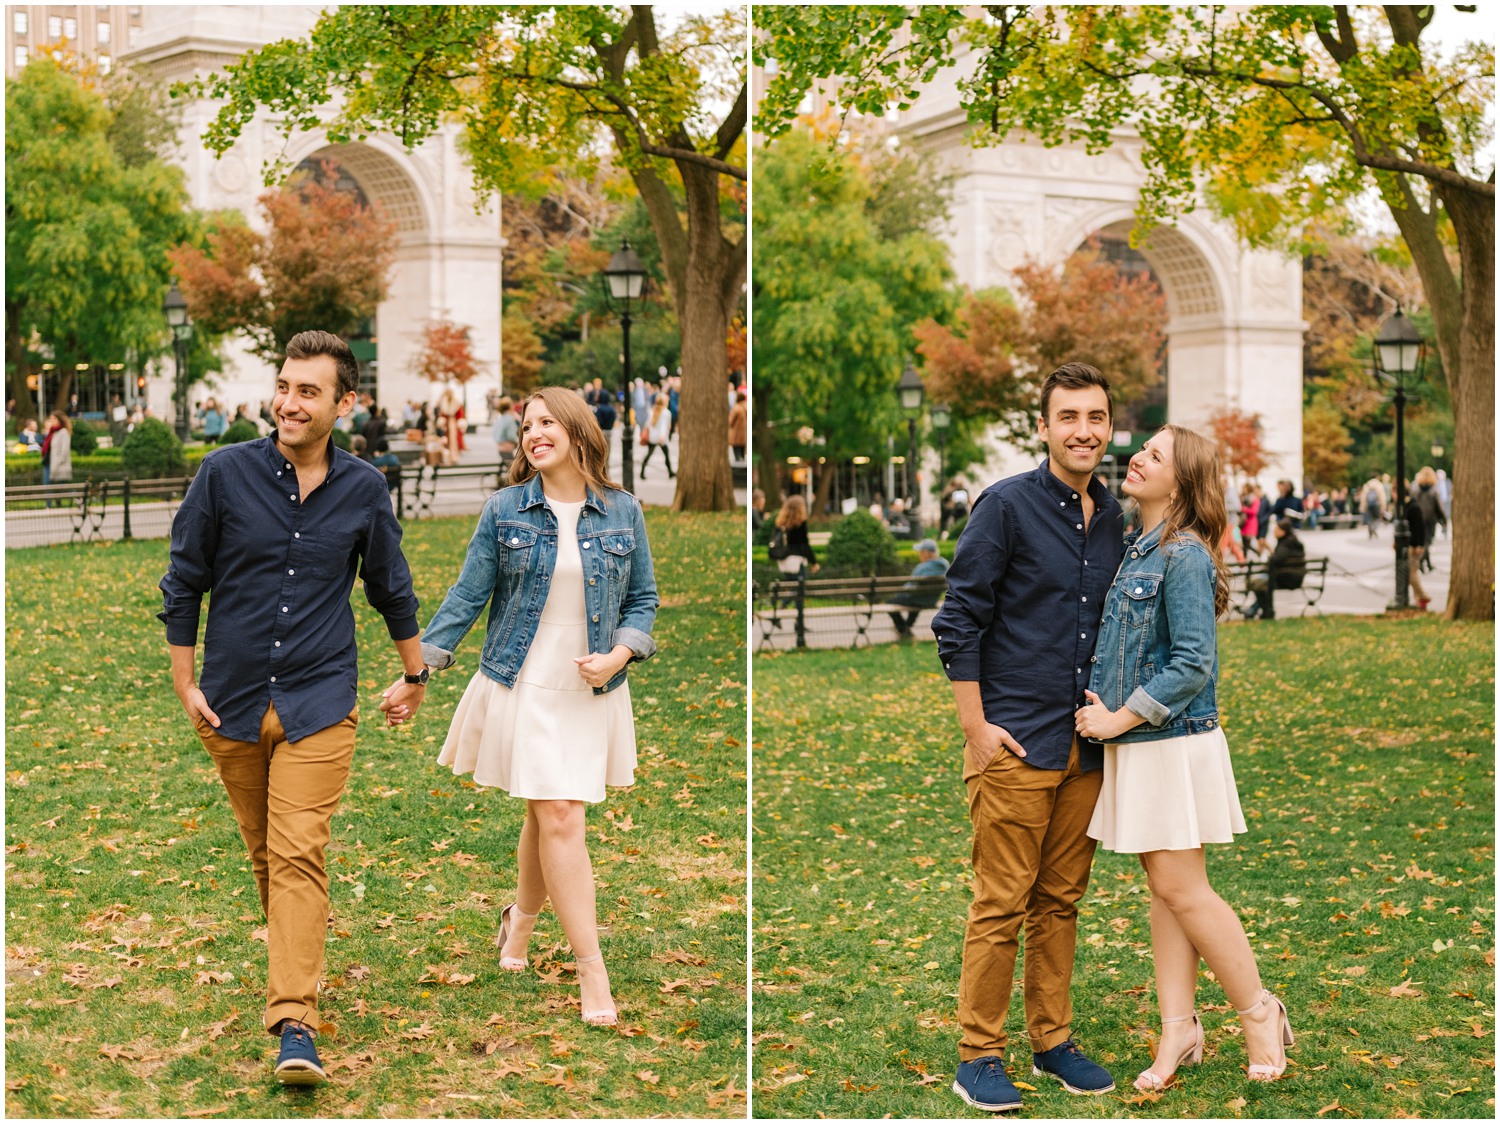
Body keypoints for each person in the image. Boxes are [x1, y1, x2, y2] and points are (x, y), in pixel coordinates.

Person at [158, 330, 428, 1086]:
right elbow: (184, 583)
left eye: (309, 392)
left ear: (346, 402)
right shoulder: (223, 474)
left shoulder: (364, 488)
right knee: (268, 858)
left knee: (299, 852)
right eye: (284, 386)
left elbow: (390, 587)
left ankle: (295, 1024)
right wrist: (187, 684)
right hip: (232, 705)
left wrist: (415, 675)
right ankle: (295, 968)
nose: (288, 403)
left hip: (320, 701)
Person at [403, 386, 658, 1026]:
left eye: (546, 423)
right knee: (561, 815)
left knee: (550, 815)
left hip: (589, 683)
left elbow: (643, 601)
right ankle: (591, 970)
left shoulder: (623, 511)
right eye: (526, 426)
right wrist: (419, 669)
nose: (533, 434)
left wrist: (621, 655)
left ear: (577, 432)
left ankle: (518, 922)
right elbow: (468, 595)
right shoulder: (506, 510)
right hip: (524, 678)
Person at [1074, 424, 1294, 1090]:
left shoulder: (1184, 555)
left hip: (1169, 741)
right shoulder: (1133, 550)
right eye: (1140, 448)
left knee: (1182, 890)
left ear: (1184, 481)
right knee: (1165, 893)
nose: (1136, 457)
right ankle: (1179, 1030)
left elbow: (1194, 662)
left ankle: (1258, 1010)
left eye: (1156, 455)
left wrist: (1118, 715)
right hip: (1140, 745)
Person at [932, 363, 1124, 1113]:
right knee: (1000, 902)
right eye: (1069, 416)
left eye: (1097, 417)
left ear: (1109, 427)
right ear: (1042, 427)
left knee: (1061, 901)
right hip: (1013, 741)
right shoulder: (1005, 507)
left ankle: (1052, 1041)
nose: (1084, 430)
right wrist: (976, 729)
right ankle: (978, 1052)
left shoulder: (1114, 518)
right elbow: (959, 620)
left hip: (1084, 747)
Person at [1242, 517, 1306, 620]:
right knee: (1260, 582)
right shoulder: (1293, 542)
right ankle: (1257, 609)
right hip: (1294, 576)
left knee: (1257, 583)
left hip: (1285, 578)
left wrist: (1269, 551)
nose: (1274, 532)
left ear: (1283, 532)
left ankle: (1265, 610)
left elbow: (1275, 560)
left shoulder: (1285, 544)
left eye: (1277, 530)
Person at [887, 539, 948, 638]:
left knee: (890, 602)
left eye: (921, 552)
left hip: (917, 599)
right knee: (917, 597)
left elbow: (911, 586)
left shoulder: (921, 568)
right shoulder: (944, 565)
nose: (920, 554)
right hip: (931, 600)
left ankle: (903, 629)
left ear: (926, 553)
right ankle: (906, 628)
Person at [769, 493, 817, 580]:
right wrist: (814, 562)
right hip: (797, 562)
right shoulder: (800, 524)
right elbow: (804, 545)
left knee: (788, 587)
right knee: (799, 590)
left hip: (783, 562)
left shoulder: (780, 523)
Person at [1411, 467, 1445, 574]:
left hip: (1418, 518)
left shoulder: (1416, 490)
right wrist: (1443, 519)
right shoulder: (1434, 490)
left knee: (1423, 541)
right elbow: (1439, 507)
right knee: (1427, 541)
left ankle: (1427, 564)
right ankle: (1422, 562)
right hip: (1430, 519)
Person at [1402, 489, 1431, 610]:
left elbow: (1420, 528)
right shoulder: (1406, 507)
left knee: (1412, 574)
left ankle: (1423, 596)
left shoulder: (1413, 508)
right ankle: (1419, 599)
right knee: (1411, 573)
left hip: (1414, 546)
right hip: (1410, 545)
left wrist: (1419, 545)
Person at [639, 393, 674, 479]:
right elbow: (663, 426)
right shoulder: (666, 413)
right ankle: (670, 472)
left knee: (649, 454)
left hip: (652, 437)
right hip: (661, 438)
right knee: (666, 455)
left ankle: (642, 471)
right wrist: (662, 436)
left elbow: (648, 424)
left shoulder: (652, 411)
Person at [41, 411, 72, 488]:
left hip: (58, 465)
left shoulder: (63, 432)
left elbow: (64, 451)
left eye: (54, 419)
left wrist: (58, 463)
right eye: (51, 419)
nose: (52, 421)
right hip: (48, 461)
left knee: (63, 487)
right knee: (47, 485)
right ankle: (49, 500)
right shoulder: (52, 432)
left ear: (59, 420)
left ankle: (77, 498)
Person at [492, 396, 519, 463]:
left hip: (500, 448)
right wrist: (518, 442)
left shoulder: (499, 419)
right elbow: (511, 435)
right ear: (510, 407)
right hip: (508, 449)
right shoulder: (510, 419)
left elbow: (495, 434)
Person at [728, 390, 747, 463]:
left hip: (736, 432)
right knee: (742, 450)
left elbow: (730, 421)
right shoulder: (746, 406)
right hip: (744, 432)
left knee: (737, 453)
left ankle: (739, 461)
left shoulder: (736, 408)